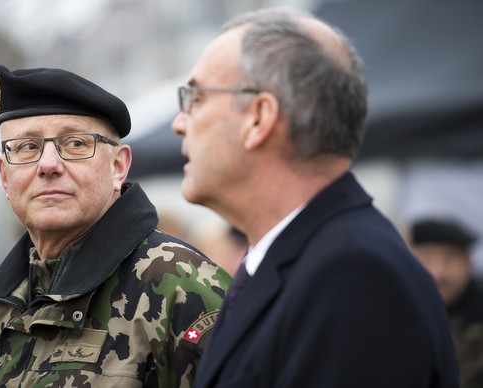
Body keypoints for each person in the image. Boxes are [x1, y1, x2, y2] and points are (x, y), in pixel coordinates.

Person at [171, 7, 459, 388]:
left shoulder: (354, 275)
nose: (179, 123)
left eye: (196, 97)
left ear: (258, 117)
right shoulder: (303, 257)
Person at [0, 65, 231, 387]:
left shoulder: (183, 289)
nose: (48, 165)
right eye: (27, 147)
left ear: (119, 166)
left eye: (75, 144)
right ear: (4, 176)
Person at [409, 218, 483, 388]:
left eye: (449, 259)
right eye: (426, 257)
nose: (438, 273)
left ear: (469, 264)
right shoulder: (398, 312)